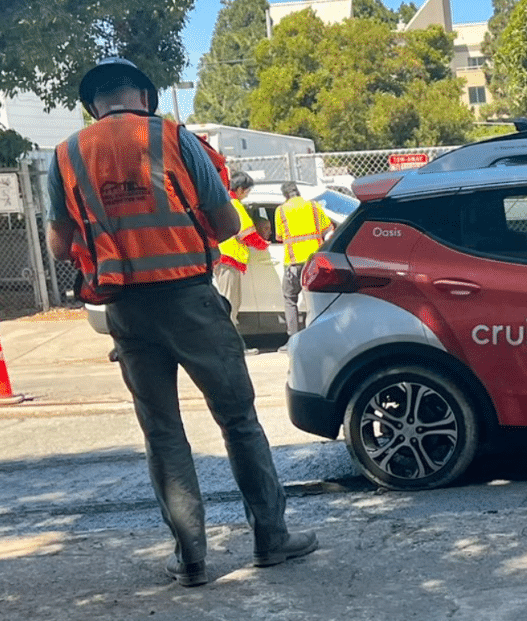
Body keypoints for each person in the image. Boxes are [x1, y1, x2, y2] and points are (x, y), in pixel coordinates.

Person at [45, 57, 317, 587]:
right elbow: (226, 220)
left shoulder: (67, 154)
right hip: (189, 299)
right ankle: (270, 539)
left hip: (124, 308)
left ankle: (191, 558)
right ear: (143, 96)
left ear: (91, 105)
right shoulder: (172, 136)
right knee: (237, 420)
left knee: (163, 432)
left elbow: (59, 244)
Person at [274, 182, 333, 346]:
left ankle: (293, 339)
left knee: (290, 299)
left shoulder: (281, 210)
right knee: (314, 299)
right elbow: (328, 229)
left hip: (293, 263)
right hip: (314, 261)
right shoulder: (314, 206)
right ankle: (317, 336)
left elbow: (279, 236)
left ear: (285, 196)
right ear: (298, 193)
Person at [215, 170, 268, 333]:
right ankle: (227, 345)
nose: (247, 194)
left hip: (227, 259)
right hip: (229, 259)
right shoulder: (235, 204)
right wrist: (263, 244)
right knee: (229, 304)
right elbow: (247, 233)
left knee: (231, 304)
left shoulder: (225, 201)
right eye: (247, 191)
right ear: (240, 189)